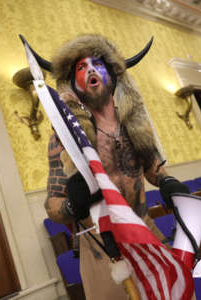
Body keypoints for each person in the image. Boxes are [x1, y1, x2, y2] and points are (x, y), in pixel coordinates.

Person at [42, 34, 189, 299]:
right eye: (80, 67)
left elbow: (154, 169)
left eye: (96, 64)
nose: (89, 70)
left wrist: (167, 181)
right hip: (101, 249)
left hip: (144, 229)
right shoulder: (64, 140)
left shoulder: (135, 127)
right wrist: (72, 206)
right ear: (73, 83)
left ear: (111, 74)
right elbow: (52, 205)